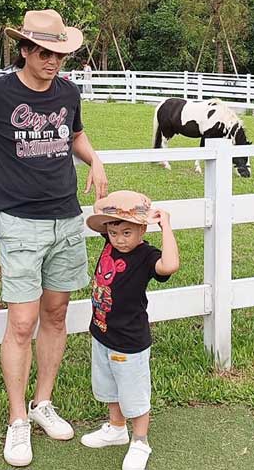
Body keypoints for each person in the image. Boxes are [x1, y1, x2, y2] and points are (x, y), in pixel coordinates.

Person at [0, 9, 109, 467]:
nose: (53, 61)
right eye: (44, 52)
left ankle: (42, 404)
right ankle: (17, 420)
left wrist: (93, 160)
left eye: (59, 53)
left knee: (56, 316)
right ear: (24, 50)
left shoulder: (68, 92)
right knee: (21, 322)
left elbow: (74, 135)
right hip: (19, 222)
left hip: (66, 219)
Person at [80, 191, 180, 470]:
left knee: (133, 393)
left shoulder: (146, 255)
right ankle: (116, 429)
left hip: (130, 342)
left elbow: (170, 265)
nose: (120, 239)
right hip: (102, 333)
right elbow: (102, 217)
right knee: (109, 387)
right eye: (114, 232)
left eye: (127, 232)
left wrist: (166, 226)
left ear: (142, 229)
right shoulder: (111, 242)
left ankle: (140, 441)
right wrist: (107, 205)